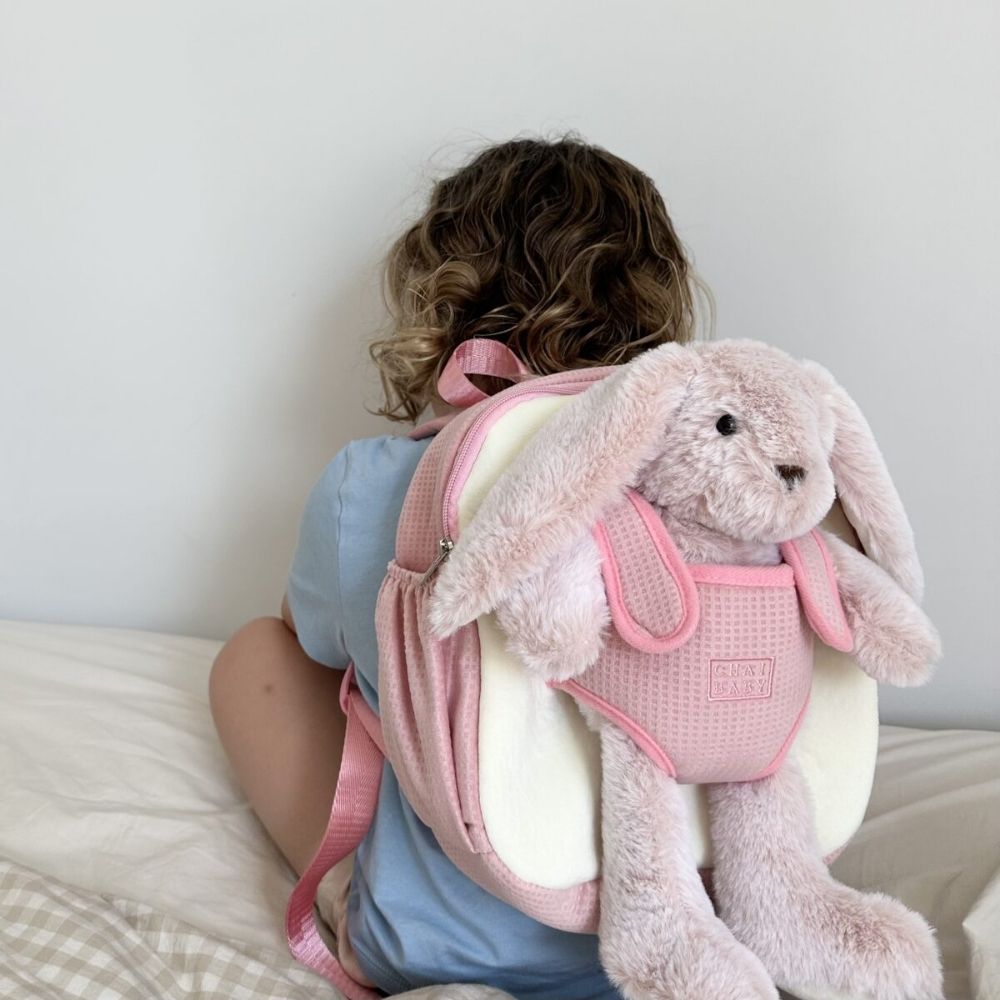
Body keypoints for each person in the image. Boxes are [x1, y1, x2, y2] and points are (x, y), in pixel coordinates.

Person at [209, 134, 710, 998]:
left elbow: (308, 649)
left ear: (437, 304)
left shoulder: (370, 485)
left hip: (432, 949)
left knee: (252, 656)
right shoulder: (711, 489)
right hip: (679, 948)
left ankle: (348, 898)